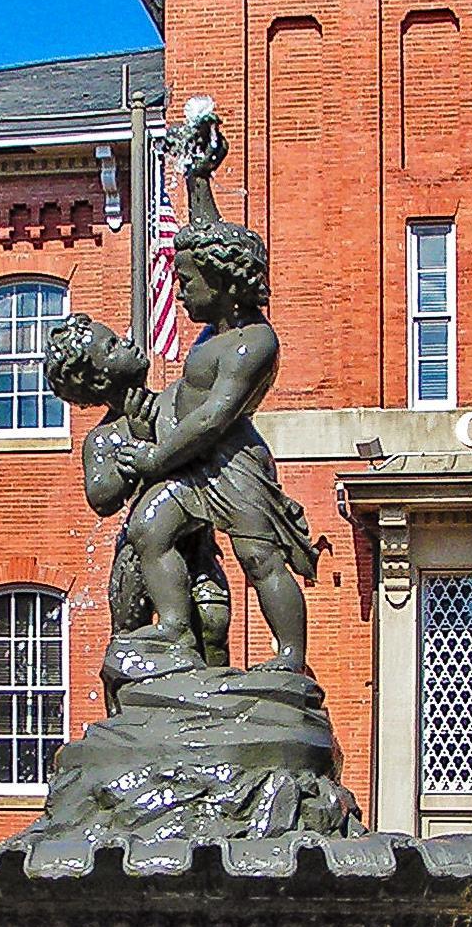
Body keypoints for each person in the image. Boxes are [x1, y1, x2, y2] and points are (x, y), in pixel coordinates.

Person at [113, 103, 316, 672]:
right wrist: (198, 177)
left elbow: (212, 419)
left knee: (260, 561)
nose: (178, 292)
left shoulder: (255, 344)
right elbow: (207, 240)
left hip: (232, 467)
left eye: (186, 282)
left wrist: (155, 456)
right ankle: (176, 630)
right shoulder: (215, 326)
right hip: (192, 466)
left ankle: (290, 659)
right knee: (148, 530)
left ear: (224, 285)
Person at [43, 313, 230, 680]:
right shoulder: (104, 437)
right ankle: (127, 717)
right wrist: (139, 451)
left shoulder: (177, 403)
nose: (128, 341)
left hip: (195, 543)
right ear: (98, 377)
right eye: (112, 345)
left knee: (212, 622)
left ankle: (212, 707)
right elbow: (101, 498)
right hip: (140, 554)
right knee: (129, 640)